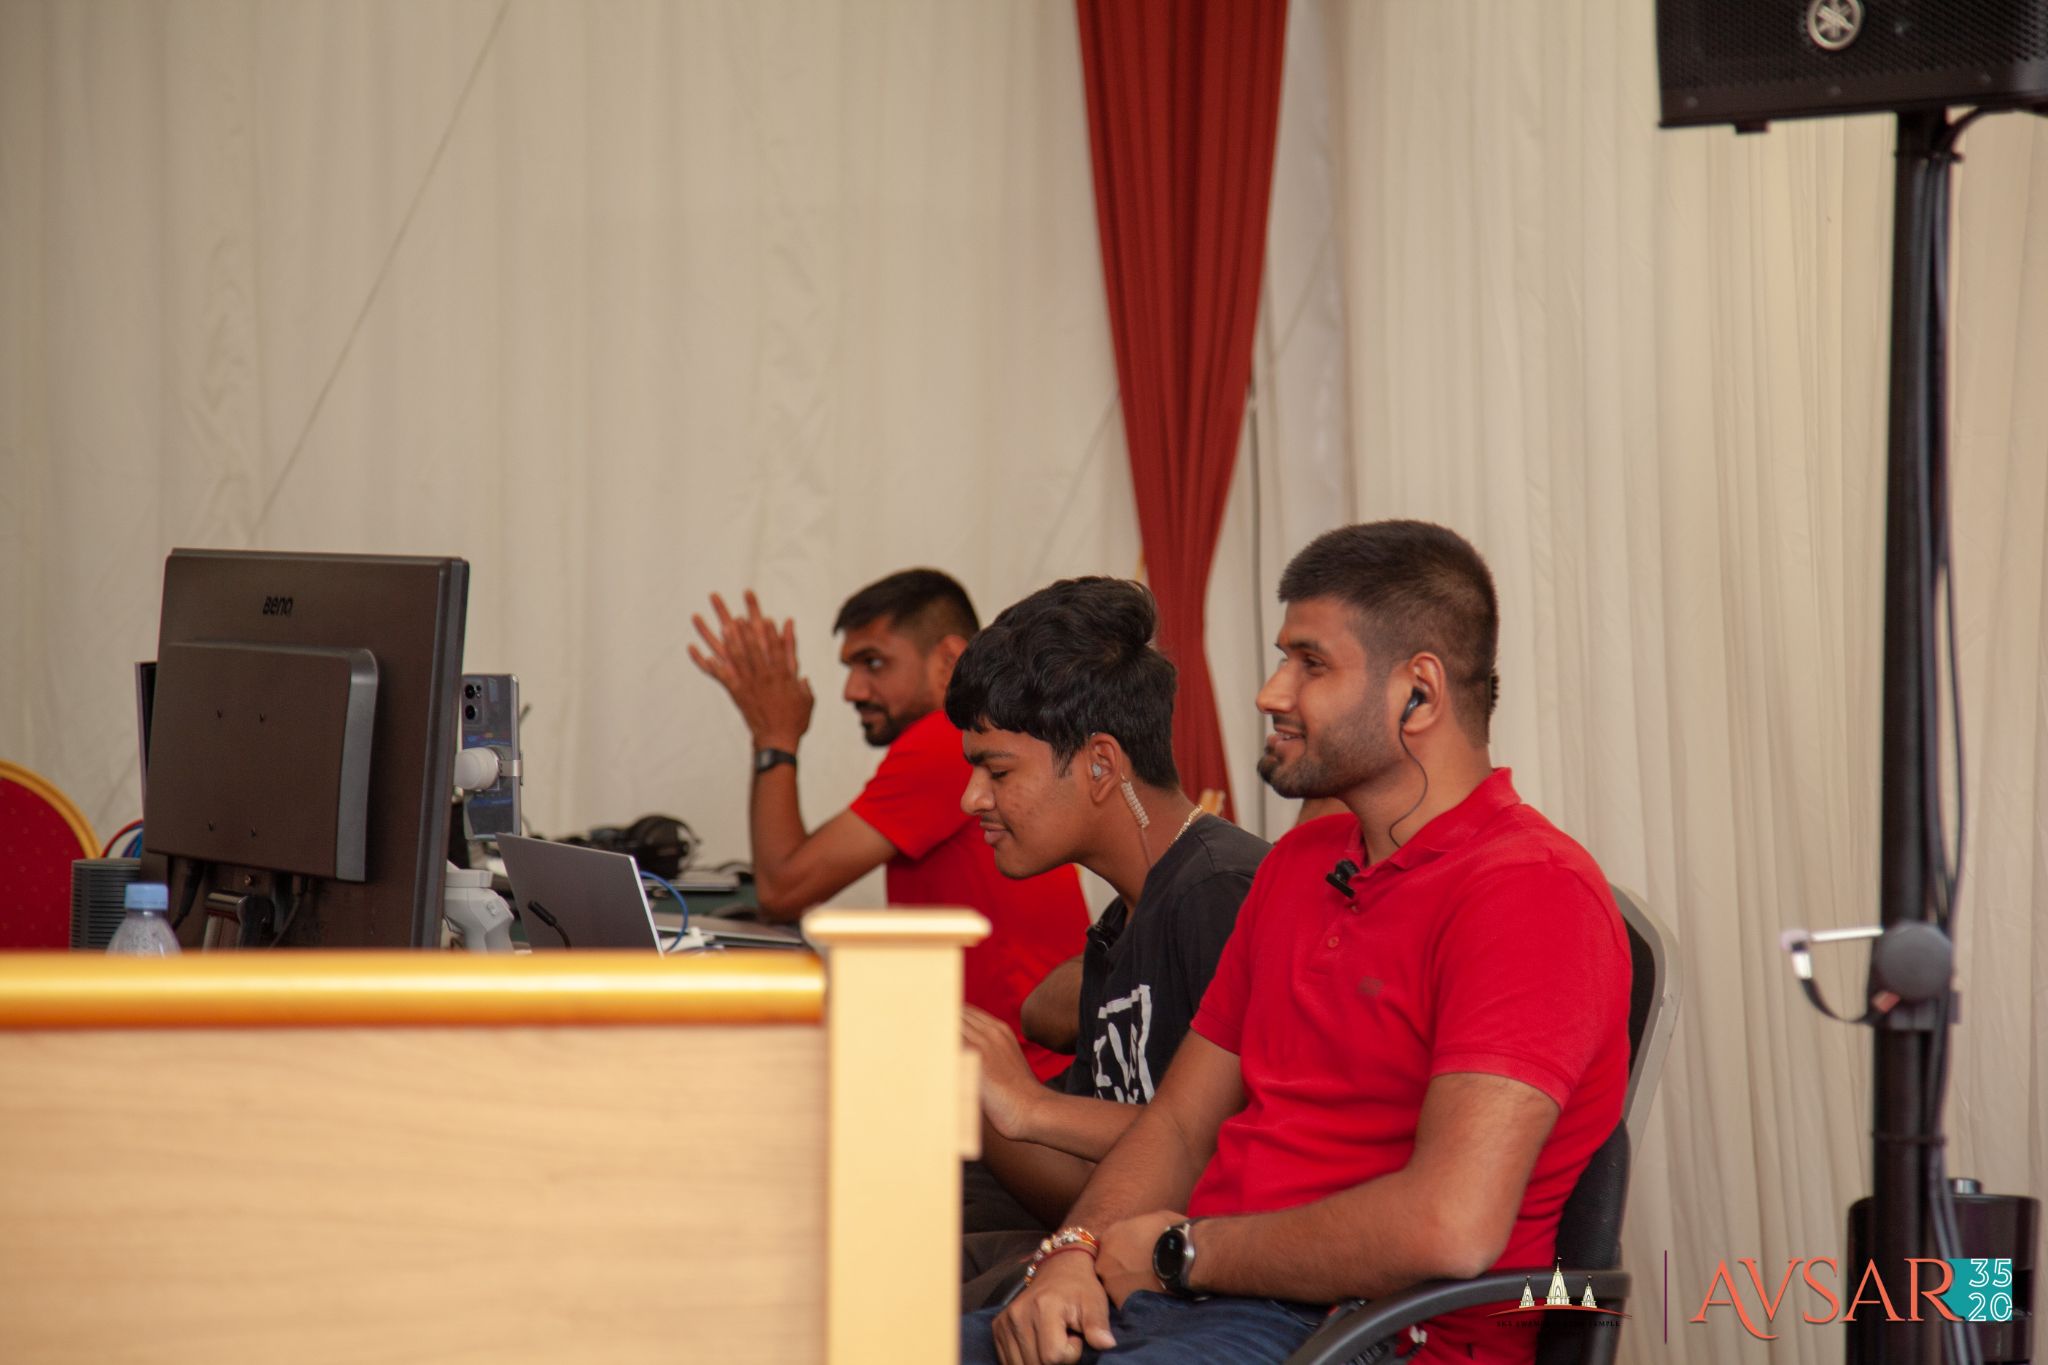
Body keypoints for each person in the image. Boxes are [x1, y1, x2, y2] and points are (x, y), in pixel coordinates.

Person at [964, 522, 1633, 1365]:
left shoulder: (1529, 891)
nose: (1272, 691)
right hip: (1197, 1301)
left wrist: (1184, 1252)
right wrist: (1073, 1257)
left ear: (1417, 694)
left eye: (1310, 663)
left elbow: (1450, 1224)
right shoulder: (1303, 865)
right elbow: (1177, 1126)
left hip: (1360, 1333)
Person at [942, 579, 1268, 1304]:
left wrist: (1027, 1103)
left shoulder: (1222, 893)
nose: (973, 800)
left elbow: (1223, 1147)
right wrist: (974, 1087)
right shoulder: (1128, 919)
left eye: (997, 770)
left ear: (1100, 763)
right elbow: (1094, 1180)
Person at [689, 568, 1088, 1079]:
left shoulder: (951, 736)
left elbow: (783, 888)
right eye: (851, 668)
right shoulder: (963, 736)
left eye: (874, 663)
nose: (853, 690)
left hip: (1021, 1079)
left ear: (948, 660)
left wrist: (775, 737)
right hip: (992, 1058)